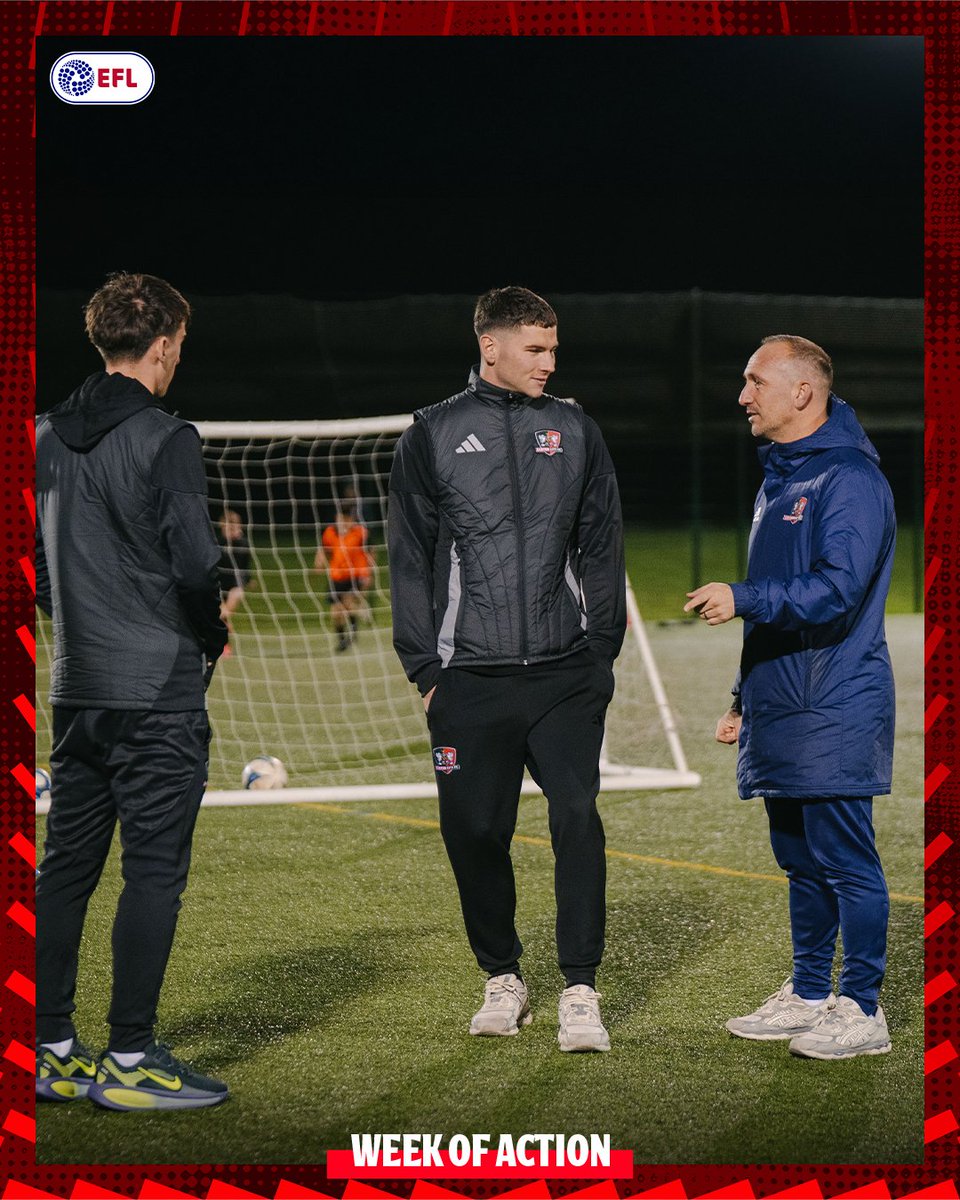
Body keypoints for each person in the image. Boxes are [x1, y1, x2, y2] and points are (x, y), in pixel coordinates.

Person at [388, 286, 626, 1052]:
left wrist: (600, 652)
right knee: (474, 831)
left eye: (553, 349)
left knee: (577, 819)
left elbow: (602, 543)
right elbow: (411, 559)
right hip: (469, 680)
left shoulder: (575, 429)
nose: (549, 362)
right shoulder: (431, 432)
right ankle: (504, 977)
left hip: (564, 675)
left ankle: (580, 989)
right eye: (535, 348)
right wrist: (426, 669)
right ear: (490, 346)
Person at [35, 273, 230, 1109]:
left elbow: (37, 560)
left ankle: (46, 1047)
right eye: (178, 346)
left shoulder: (43, 433)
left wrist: (75, 621)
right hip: (156, 690)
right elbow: (195, 563)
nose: (177, 358)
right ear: (161, 345)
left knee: (66, 869)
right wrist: (209, 635)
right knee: (152, 873)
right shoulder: (166, 435)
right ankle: (130, 1059)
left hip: (77, 688)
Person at [684, 334, 896, 1060]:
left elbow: (838, 589)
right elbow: (781, 610)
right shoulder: (780, 478)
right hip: (781, 701)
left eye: (756, 381)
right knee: (799, 859)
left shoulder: (850, 478)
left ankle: (862, 1008)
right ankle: (808, 994)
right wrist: (743, 698)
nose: (743, 395)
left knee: (845, 860)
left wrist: (742, 595)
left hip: (834, 702)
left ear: (802, 392)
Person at [314, 489, 374, 652]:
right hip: (336, 576)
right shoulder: (330, 532)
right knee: (336, 612)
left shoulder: (360, 533)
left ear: (352, 519)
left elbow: (370, 552)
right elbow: (324, 549)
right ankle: (343, 639)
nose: (343, 523)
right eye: (341, 519)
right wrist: (319, 560)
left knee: (347, 604)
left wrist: (369, 572)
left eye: (347, 520)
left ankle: (355, 626)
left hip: (355, 575)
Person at [217, 508, 252, 658]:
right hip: (218, 585)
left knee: (224, 614)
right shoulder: (217, 544)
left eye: (233, 527)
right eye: (227, 527)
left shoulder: (242, 544)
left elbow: (243, 567)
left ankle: (224, 642)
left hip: (236, 586)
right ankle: (225, 645)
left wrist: (248, 581)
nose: (230, 530)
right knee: (220, 616)